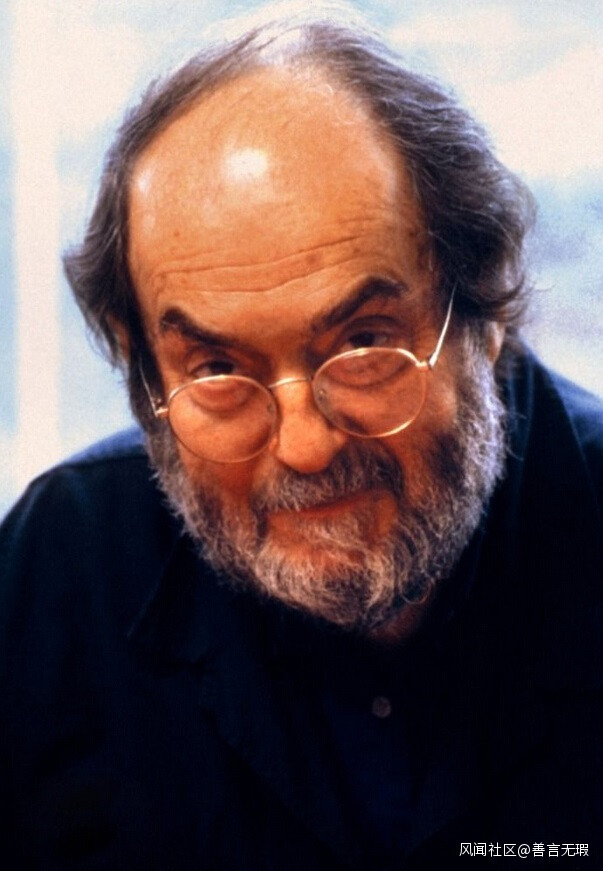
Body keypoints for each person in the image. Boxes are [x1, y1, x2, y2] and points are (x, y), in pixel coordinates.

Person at [1, 8, 601, 869]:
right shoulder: (61, 571)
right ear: (145, 374)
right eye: (216, 367)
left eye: (363, 342)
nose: (306, 446)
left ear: (483, 308)